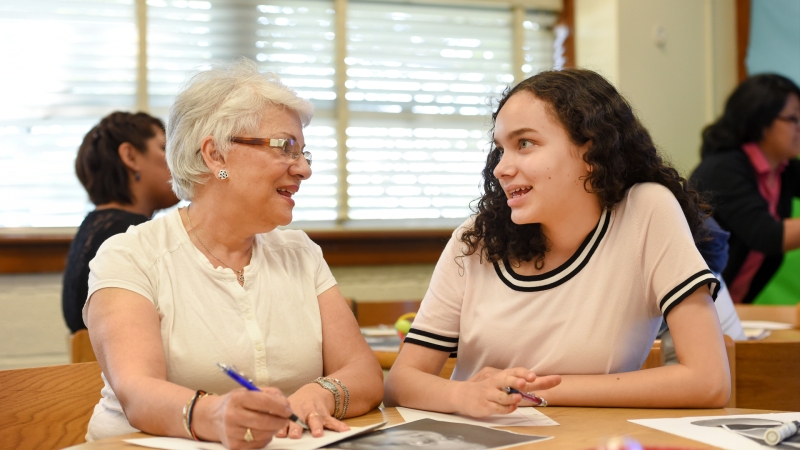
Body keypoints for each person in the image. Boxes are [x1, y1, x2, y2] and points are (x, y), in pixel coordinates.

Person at [384, 69, 730, 415]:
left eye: (525, 144)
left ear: (591, 149)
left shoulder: (645, 211)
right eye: (501, 150)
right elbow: (401, 382)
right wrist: (462, 396)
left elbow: (708, 381)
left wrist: (528, 391)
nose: (501, 168)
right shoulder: (474, 240)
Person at [82, 59, 383, 448]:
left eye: (305, 153)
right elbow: (138, 393)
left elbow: (364, 372)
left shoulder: (300, 252)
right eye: (286, 148)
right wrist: (216, 414)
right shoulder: (129, 254)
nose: (304, 169)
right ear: (216, 156)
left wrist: (321, 394)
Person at [63, 111, 179, 333]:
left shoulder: (92, 228)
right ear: (131, 157)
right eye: (164, 148)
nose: (177, 159)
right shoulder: (128, 238)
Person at [691, 74, 800, 304]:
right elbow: (767, 236)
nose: (799, 127)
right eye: (793, 119)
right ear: (762, 122)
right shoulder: (724, 169)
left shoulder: (784, 168)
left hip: (733, 306)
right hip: (692, 306)